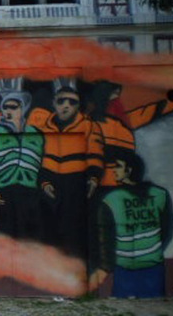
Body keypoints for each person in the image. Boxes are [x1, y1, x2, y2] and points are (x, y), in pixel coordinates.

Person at [30, 84, 104, 258]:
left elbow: (95, 153)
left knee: (74, 227)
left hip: (76, 181)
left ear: (78, 106)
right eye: (61, 100)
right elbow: (39, 159)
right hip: (50, 182)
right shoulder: (44, 129)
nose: (66, 105)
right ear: (54, 103)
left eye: (72, 102)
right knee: (50, 226)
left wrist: (93, 178)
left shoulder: (88, 125)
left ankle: (75, 264)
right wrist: (44, 182)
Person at [90, 153, 173, 298]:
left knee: (126, 308)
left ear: (129, 171)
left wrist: (105, 266)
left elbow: (106, 238)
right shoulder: (159, 194)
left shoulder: (110, 200)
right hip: (149, 266)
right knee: (153, 306)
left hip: (126, 268)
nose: (114, 170)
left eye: (118, 166)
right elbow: (167, 228)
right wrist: (154, 250)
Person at [0, 91, 44, 240]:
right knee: (5, 231)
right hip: (4, 188)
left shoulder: (35, 133)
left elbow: (42, 161)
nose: (9, 111)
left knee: (28, 231)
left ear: (23, 109)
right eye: (5, 107)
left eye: (14, 107)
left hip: (30, 189)